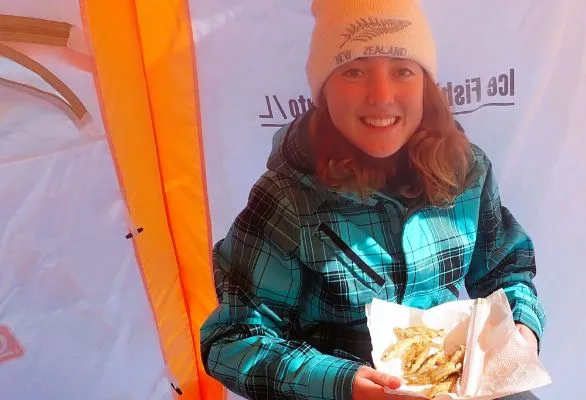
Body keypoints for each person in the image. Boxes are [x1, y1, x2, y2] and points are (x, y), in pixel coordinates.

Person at [199, 1, 547, 399]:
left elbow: (506, 270)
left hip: (452, 380)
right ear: (324, 90)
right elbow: (233, 340)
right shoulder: (288, 200)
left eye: (402, 70)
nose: (381, 95)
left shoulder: (465, 171)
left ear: (425, 84)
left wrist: (522, 324)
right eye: (354, 70)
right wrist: (341, 382)